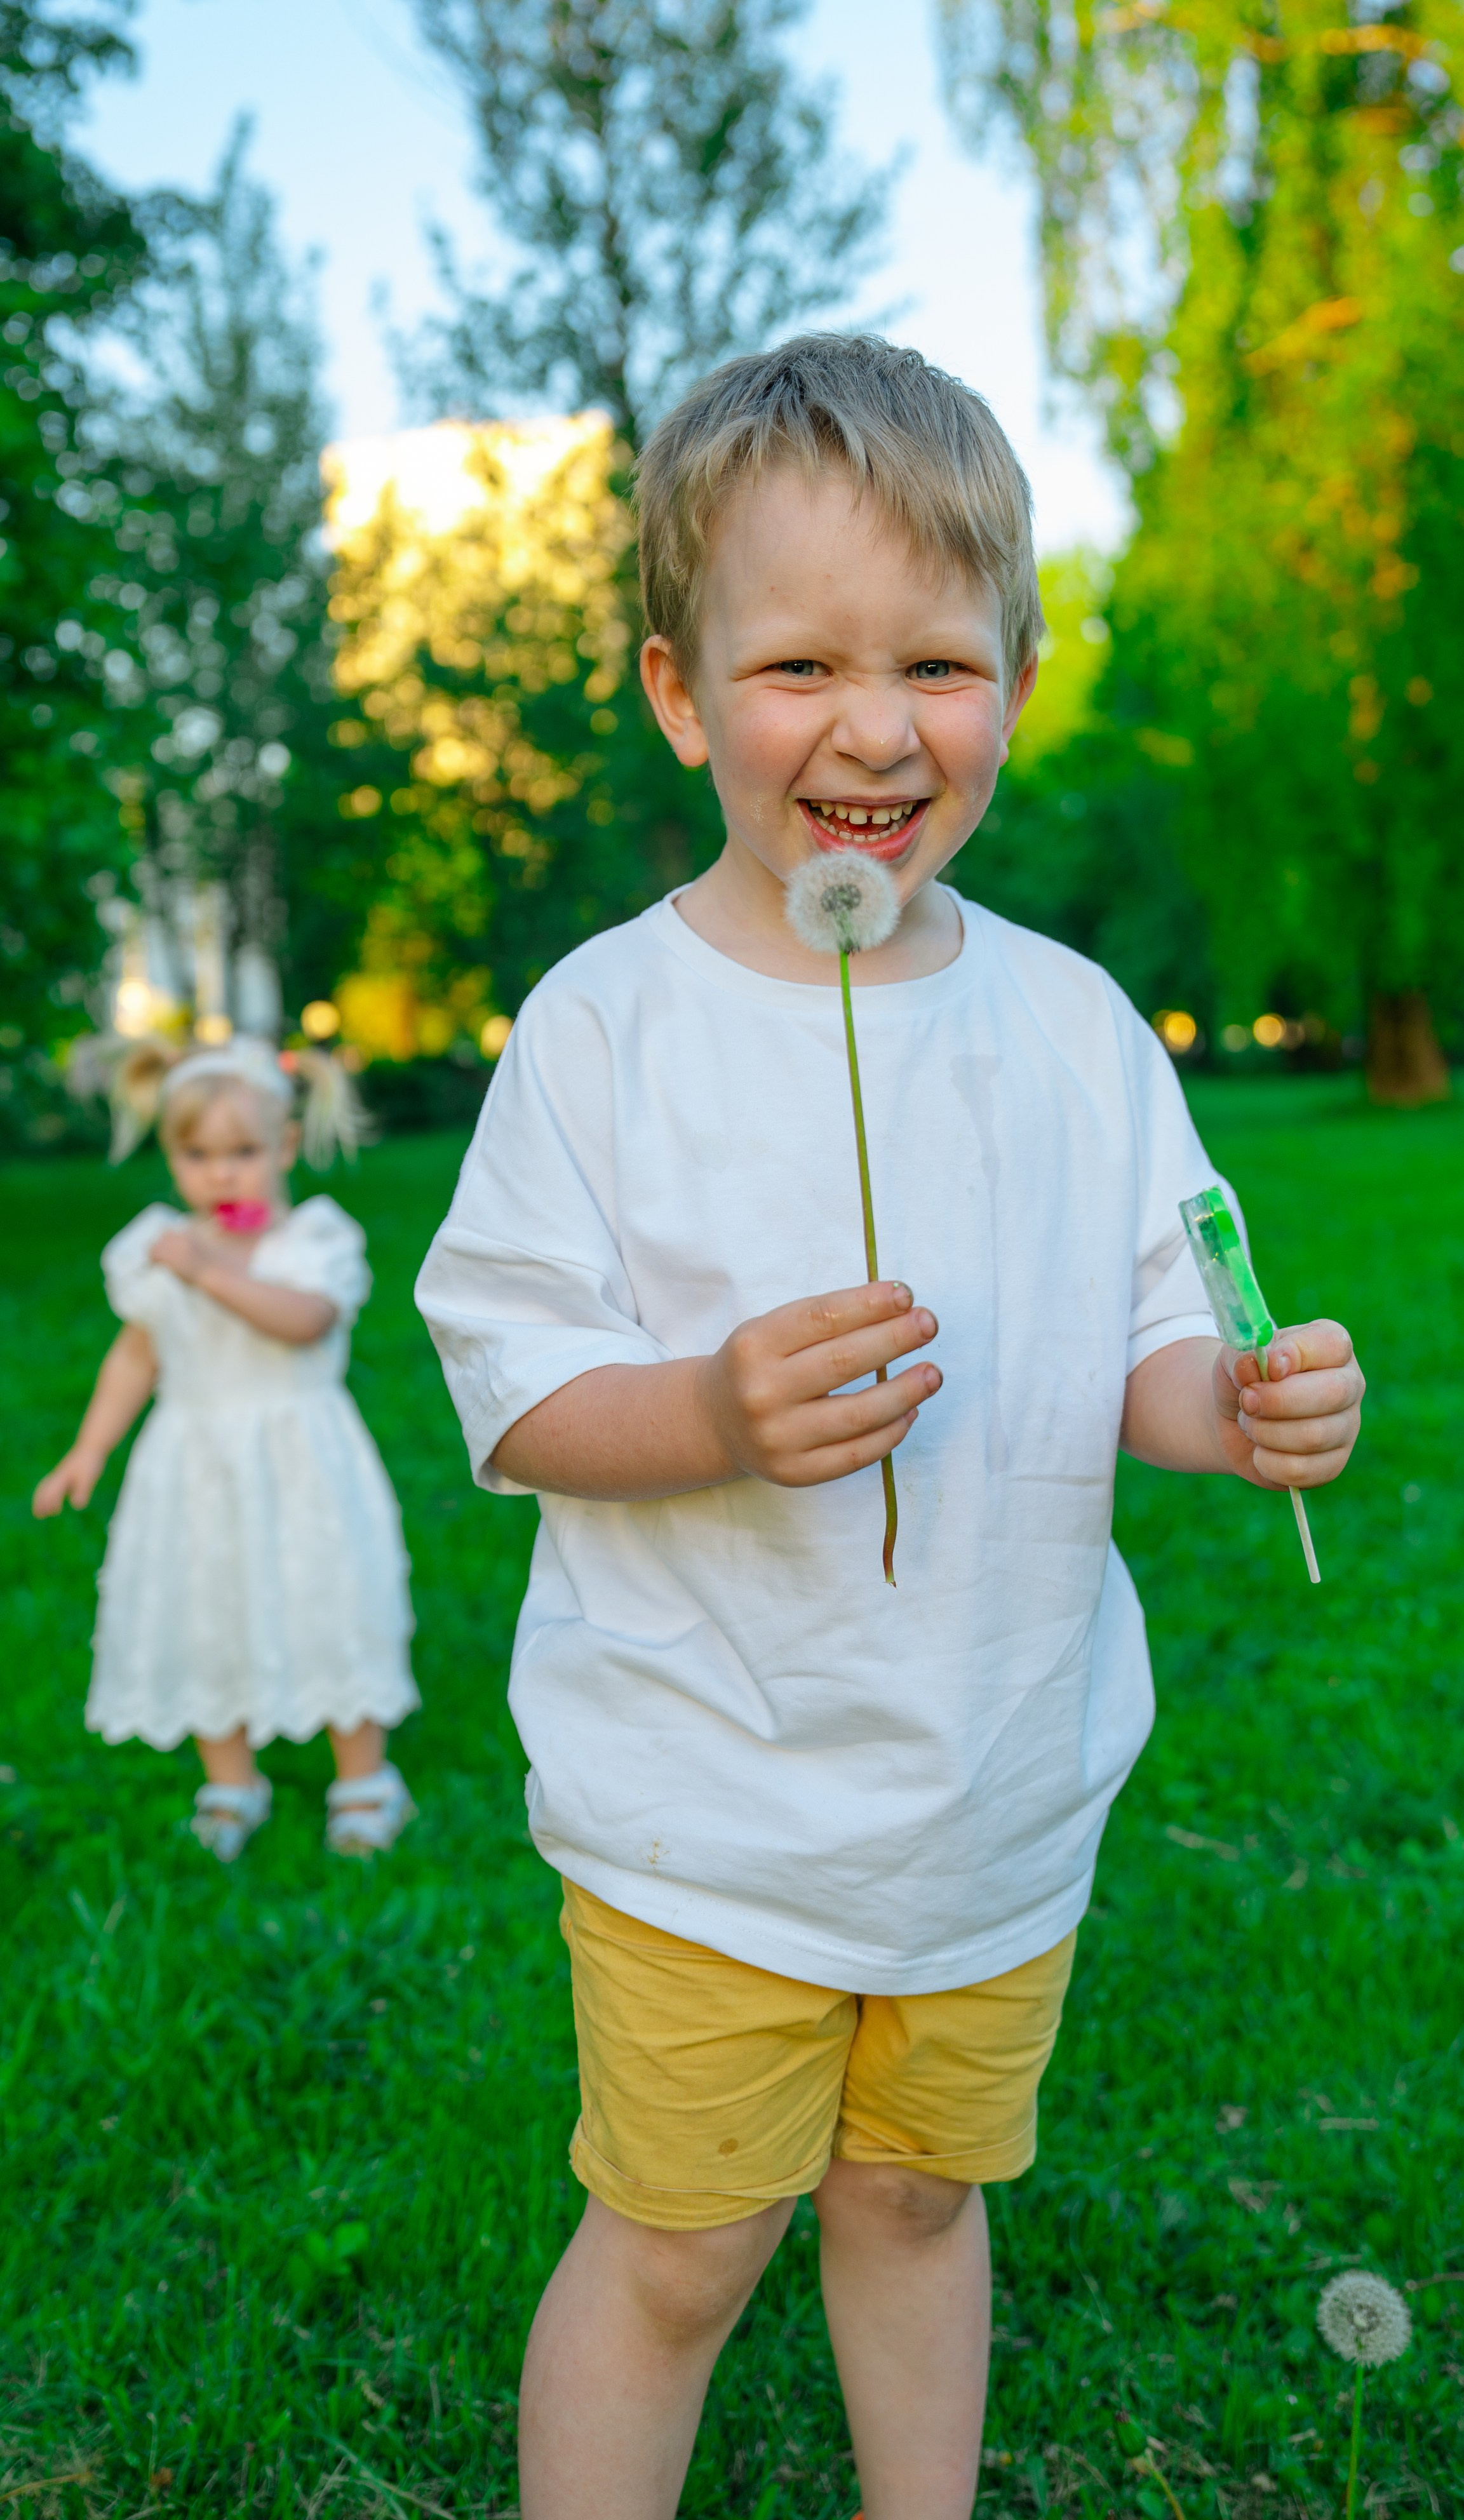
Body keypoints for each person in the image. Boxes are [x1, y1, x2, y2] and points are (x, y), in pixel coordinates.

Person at [415, 334, 1365, 2520]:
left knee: (917, 2203)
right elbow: (513, 1375)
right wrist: (712, 1406)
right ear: (678, 692)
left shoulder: (1070, 1020)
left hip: (994, 1792)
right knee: (681, 2243)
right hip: (704, 1810)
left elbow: (1133, 1330)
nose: (871, 727)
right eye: (797, 666)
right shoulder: (604, 1026)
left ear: (1014, 678)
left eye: (939, 660)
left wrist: (1223, 1407)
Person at [34, 1036, 419, 1861]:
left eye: (243, 1152)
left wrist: (208, 1271)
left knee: (329, 1602)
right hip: (194, 1464)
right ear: (172, 1157)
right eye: (197, 1155)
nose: (221, 1174)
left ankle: (363, 1778)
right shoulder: (158, 1248)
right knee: (206, 1606)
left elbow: (305, 1319)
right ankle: (231, 1779)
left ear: (283, 1146)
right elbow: (139, 1353)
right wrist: (89, 1449)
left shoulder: (313, 1240)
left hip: (300, 1459)